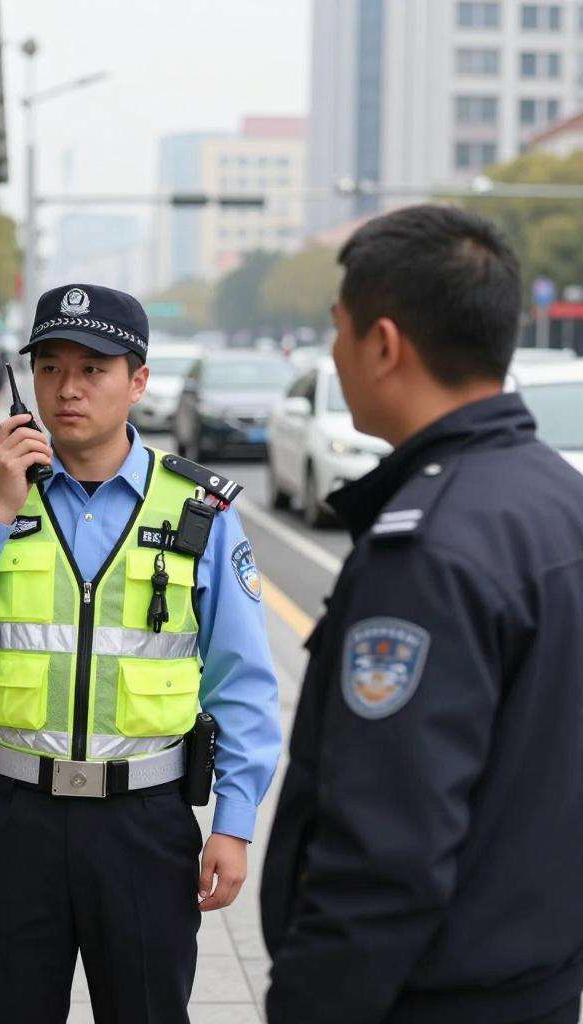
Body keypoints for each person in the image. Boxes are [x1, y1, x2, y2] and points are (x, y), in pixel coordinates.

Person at [0, 283, 281, 1023]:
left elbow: (243, 680)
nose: (67, 389)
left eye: (93, 368)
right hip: (13, 820)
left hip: (144, 824)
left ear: (137, 381)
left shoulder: (199, 510)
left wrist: (233, 823)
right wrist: (0, 510)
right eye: (49, 367)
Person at [260, 205, 583, 1024]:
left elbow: (386, 851)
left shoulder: (428, 553)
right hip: (542, 978)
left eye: (338, 329)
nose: (332, 351)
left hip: (428, 994)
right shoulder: (557, 499)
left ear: (385, 344)